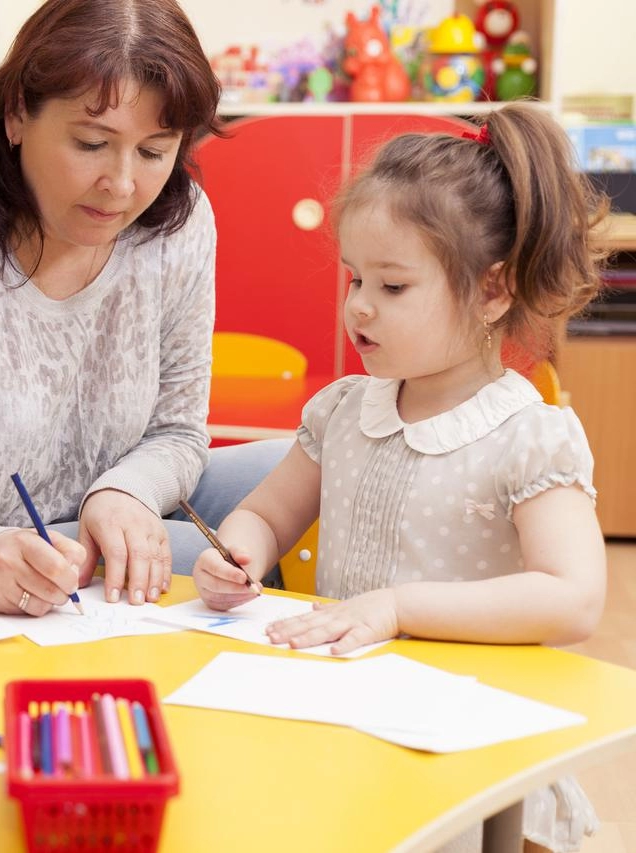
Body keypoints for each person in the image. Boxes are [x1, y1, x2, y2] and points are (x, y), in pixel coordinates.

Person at [192, 103, 607, 852]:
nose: (358, 307)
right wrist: (239, 552)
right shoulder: (346, 411)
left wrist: (397, 606)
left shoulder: (527, 435)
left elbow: (573, 598)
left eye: (392, 286)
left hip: (470, 746)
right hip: (350, 721)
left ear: (491, 290)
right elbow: (264, 513)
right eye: (354, 278)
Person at [0, 0, 289, 617]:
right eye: (92, 143)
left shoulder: (178, 224)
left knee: (305, 467)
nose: (122, 185)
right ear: (17, 115)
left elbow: (178, 431)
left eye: (154, 151)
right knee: (213, 559)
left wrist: (125, 492)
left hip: (83, 524)